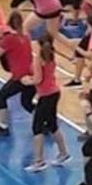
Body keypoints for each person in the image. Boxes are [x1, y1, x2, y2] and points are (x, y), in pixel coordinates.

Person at [24, 33, 69, 171]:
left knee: (36, 127)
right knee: (52, 124)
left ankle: (39, 161)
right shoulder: (51, 56)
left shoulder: (39, 58)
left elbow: (38, 79)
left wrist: (27, 81)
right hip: (54, 92)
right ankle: (63, 153)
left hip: (47, 95)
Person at [0, 11, 35, 137]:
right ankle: (45, 120)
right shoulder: (26, 36)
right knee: (26, 102)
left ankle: (3, 126)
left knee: (1, 97)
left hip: (20, 76)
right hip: (31, 72)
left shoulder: (10, 39)